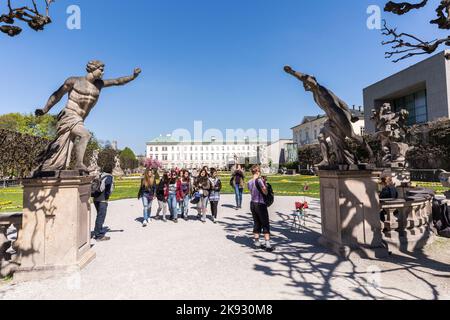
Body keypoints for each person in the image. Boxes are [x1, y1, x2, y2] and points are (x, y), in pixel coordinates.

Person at [248, 165, 273, 252]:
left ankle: (257, 242)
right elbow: (265, 192)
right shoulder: (259, 180)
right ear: (258, 171)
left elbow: (251, 192)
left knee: (256, 222)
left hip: (253, 203)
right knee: (265, 223)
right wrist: (265, 185)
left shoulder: (249, 182)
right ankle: (268, 244)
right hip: (260, 204)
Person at [92, 164, 114, 241]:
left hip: (96, 198)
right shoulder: (109, 177)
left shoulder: (100, 175)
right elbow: (108, 188)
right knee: (101, 217)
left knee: (99, 216)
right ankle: (99, 235)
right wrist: (107, 196)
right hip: (103, 199)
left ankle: (97, 232)